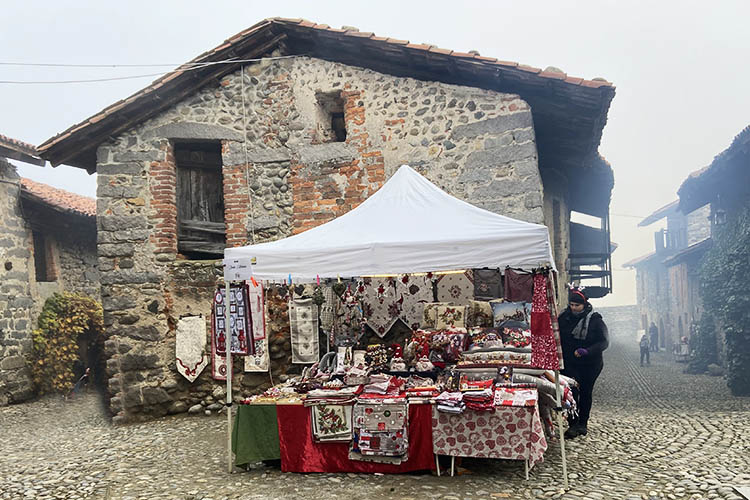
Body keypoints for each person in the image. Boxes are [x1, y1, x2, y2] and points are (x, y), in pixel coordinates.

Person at [559, 288, 609, 439]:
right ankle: (572, 424)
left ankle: (583, 424)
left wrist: (587, 350)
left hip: (591, 364)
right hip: (570, 363)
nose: (573, 308)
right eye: (572, 305)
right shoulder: (564, 317)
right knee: (571, 393)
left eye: (577, 306)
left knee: (586, 392)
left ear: (584, 305)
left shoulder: (595, 320)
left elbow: (604, 341)